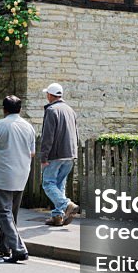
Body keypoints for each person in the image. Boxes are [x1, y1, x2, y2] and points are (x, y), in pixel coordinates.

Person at [0, 95, 36, 263]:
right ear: (20, 109)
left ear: (4, 110)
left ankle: (18, 249)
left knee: (3, 213)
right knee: (11, 214)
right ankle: (4, 248)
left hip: (3, 175)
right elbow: (32, 152)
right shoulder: (28, 127)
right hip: (22, 174)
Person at [39, 82, 79, 226]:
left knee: (48, 183)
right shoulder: (70, 110)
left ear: (50, 95)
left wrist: (43, 157)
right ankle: (57, 217)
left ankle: (66, 205)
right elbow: (76, 133)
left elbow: (47, 136)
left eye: (47, 94)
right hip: (70, 153)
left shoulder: (51, 110)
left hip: (56, 154)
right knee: (60, 184)